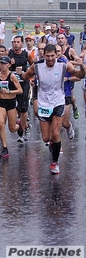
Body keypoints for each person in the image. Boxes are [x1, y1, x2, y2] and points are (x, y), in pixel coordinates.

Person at [21, 44, 86, 174]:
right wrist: (21, 75)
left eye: (52, 56)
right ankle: (54, 144)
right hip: (44, 103)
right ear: (43, 55)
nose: (50, 59)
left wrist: (83, 68)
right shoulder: (37, 66)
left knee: (55, 133)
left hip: (58, 101)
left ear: (56, 55)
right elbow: (26, 76)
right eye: (47, 56)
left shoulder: (63, 65)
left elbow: (78, 74)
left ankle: (55, 163)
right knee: (46, 138)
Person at [0, 56, 23, 158]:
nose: (2, 66)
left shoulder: (12, 76)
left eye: (5, 64)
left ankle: (18, 126)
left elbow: (20, 90)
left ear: (9, 65)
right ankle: (5, 148)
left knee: (12, 128)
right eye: (1, 63)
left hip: (10, 102)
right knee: (1, 124)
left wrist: (9, 91)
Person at [8, 35, 33, 141]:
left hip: (24, 84)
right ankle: (25, 125)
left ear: (22, 44)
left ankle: (22, 132)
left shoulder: (26, 54)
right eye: (14, 42)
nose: (16, 44)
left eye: (18, 42)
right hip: (12, 84)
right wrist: (10, 64)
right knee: (14, 108)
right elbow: (1, 67)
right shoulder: (9, 54)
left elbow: (34, 67)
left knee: (23, 109)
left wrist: (30, 77)